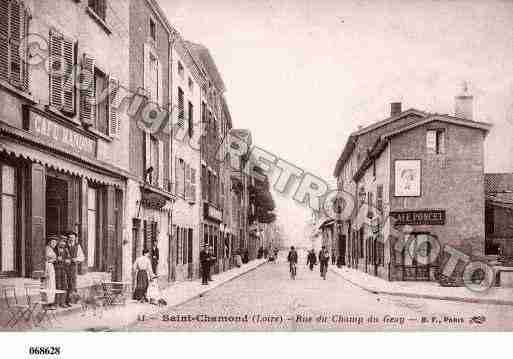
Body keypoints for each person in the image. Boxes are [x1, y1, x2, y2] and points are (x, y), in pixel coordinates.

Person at [66, 231, 84, 304]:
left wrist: (76, 259)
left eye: (73, 237)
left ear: (75, 238)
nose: (71, 239)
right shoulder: (65, 245)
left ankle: (72, 300)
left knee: (72, 282)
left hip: (73, 267)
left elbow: (82, 257)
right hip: (65, 267)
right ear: (68, 238)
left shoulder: (77, 246)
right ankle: (65, 300)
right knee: (65, 282)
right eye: (70, 237)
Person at [54, 237, 71, 307]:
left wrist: (68, 261)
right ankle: (57, 303)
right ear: (58, 242)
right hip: (57, 269)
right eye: (61, 241)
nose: (63, 243)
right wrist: (57, 259)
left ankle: (63, 302)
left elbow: (69, 259)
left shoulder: (66, 250)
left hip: (64, 269)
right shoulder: (54, 249)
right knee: (58, 285)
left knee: (64, 285)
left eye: (64, 241)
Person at [43, 236, 58, 309]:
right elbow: (46, 259)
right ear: (49, 242)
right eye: (53, 242)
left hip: (51, 267)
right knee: (48, 285)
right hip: (47, 267)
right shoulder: (47, 249)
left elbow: (53, 259)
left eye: (55, 243)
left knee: (52, 284)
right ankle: (47, 303)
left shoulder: (51, 249)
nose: (54, 244)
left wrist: (53, 260)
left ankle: (50, 302)